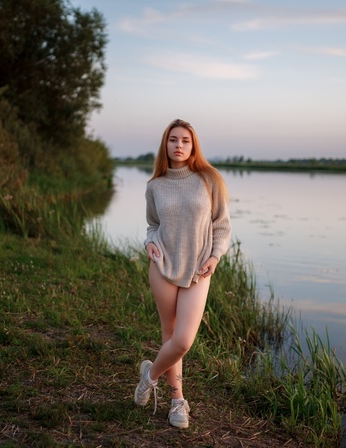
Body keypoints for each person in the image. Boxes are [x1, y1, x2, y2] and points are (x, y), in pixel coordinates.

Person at [134, 118, 232, 429]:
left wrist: (215, 257)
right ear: (165, 144)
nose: (179, 145)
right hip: (163, 266)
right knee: (170, 334)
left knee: (183, 340)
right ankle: (177, 402)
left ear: (193, 145)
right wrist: (150, 243)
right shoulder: (155, 186)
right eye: (173, 139)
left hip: (198, 269)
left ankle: (149, 378)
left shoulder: (210, 180)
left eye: (185, 140)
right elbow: (153, 225)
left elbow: (222, 226)